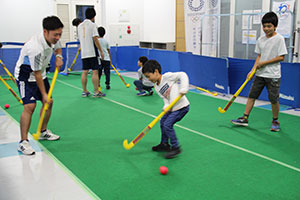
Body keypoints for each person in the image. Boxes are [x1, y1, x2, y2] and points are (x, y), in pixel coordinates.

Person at [14, 16, 64, 155]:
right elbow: (35, 74)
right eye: (55, 34)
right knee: (30, 106)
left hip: (40, 73)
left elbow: (58, 49)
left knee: (49, 103)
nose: (58, 37)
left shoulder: (54, 39)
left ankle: (43, 131)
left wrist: (59, 57)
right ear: (45, 32)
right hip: (25, 75)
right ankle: (23, 142)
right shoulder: (35, 48)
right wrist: (44, 94)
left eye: (60, 34)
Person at [231, 12, 287, 132]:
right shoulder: (261, 39)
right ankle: (245, 118)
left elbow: (281, 57)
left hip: (273, 75)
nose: (266, 29)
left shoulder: (279, 39)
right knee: (252, 96)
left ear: (275, 26)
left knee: (274, 100)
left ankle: (275, 120)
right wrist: (252, 70)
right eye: (264, 26)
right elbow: (259, 56)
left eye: (269, 26)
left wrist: (264, 63)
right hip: (259, 74)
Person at [142, 60, 190, 159]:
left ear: (156, 72)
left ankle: (176, 147)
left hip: (182, 107)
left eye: (148, 76)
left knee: (167, 124)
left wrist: (183, 88)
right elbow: (165, 98)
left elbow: (182, 74)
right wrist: (166, 106)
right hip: (172, 108)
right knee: (162, 122)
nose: (148, 79)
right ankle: (164, 144)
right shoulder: (156, 87)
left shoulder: (167, 77)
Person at [77, 8, 105, 97]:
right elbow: (95, 39)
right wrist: (101, 51)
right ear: (94, 16)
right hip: (92, 52)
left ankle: (84, 91)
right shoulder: (93, 25)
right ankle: (96, 92)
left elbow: (81, 40)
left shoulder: (79, 26)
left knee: (84, 72)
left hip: (84, 53)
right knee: (95, 72)